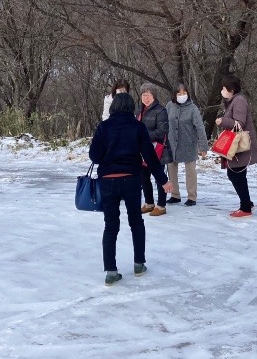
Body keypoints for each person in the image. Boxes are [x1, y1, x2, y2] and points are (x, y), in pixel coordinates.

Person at [89, 92, 172, 286]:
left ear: (113, 107)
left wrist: (108, 158)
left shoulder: (104, 127)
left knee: (111, 225)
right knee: (136, 221)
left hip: (108, 180)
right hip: (131, 179)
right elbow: (150, 157)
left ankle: (110, 271)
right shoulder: (138, 127)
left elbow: (94, 155)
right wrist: (163, 180)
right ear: (130, 107)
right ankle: (139, 264)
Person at [215, 75, 257, 218]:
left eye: (224, 88)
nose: (222, 91)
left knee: (236, 174)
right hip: (237, 147)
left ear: (231, 89)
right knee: (238, 174)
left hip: (240, 146)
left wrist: (222, 121)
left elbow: (239, 123)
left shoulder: (239, 101)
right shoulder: (233, 101)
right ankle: (247, 203)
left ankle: (245, 208)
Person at [164, 83, 209, 206]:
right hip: (171, 143)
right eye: (179, 93)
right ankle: (174, 194)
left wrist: (203, 145)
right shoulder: (169, 106)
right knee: (171, 169)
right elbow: (164, 123)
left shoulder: (193, 108)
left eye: (184, 93)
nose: (182, 95)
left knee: (190, 171)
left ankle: (192, 196)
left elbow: (200, 127)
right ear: (175, 95)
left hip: (189, 143)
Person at [136, 83, 169, 216]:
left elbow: (162, 131)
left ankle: (161, 205)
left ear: (154, 96)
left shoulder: (161, 111)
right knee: (144, 176)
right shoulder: (139, 110)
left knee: (159, 176)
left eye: (148, 95)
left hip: (158, 149)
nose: (145, 98)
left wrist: (143, 136)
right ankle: (149, 202)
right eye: (143, 95)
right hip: (143, 149)